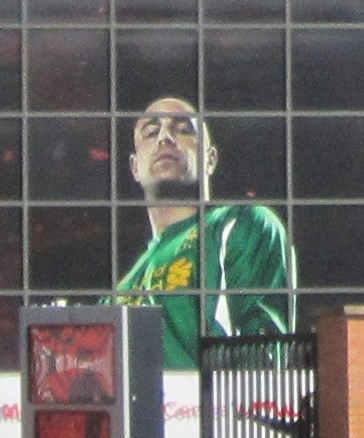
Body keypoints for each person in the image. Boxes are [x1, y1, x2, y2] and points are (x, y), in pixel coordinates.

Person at [114, 95, 297, 375]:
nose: (165, 137)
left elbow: (265, 354)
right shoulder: (123, 288)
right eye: (151, 132)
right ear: (135, 167)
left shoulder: (239, 222)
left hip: (215, 414)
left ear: (210, 158)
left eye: (182, 129)